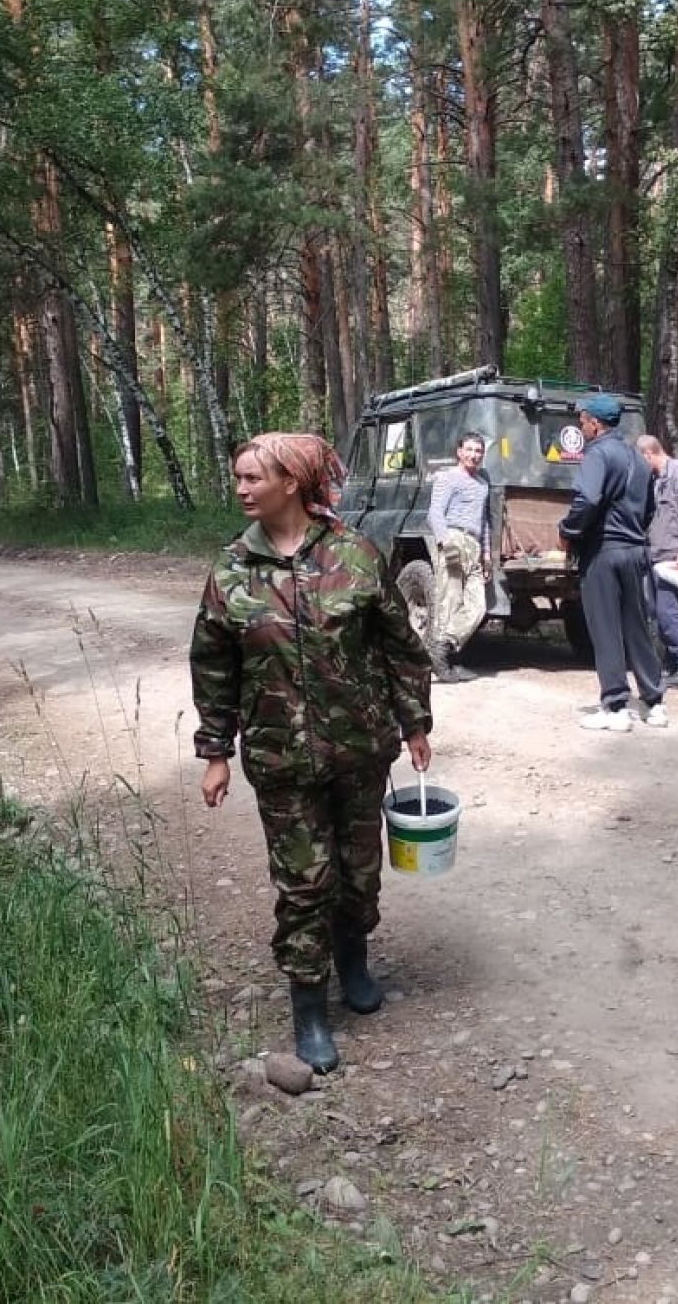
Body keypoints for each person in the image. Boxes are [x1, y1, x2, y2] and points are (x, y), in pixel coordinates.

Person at [191, 432, 434, 1073]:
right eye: (238, 479)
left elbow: (398, 647)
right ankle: (309, 1009)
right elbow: (213, 667)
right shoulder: (231, 570)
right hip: (280, 761)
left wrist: (415, 723)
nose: (241, 489)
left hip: (359, 751)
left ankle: (353, 961)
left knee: (358, 874)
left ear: (291, 483)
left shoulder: (356, 556)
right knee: (304, 884)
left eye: (252, 478)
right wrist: (215, 750)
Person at [557, 395, 666, 732]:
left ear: (596, 423)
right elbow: (649, 508)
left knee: (605, 629)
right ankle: (654, 703)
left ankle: (615, 706)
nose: (580, 425)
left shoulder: (598, 453)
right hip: (635, 551)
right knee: (636, 627)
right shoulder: (637, 455)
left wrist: (568, 530)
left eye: (583, 420)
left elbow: (587, 499)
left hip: (603, 552)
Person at [635, 434, 678, 689]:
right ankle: (672, 662)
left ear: (648, 454)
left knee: (667, 612)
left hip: (674, 555)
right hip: (655, 554)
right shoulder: (654, 479)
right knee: (655, 612)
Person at [425, 431, 492, 683]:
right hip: (453, 538)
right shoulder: (447, 478)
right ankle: (447, 664)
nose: (474, 455)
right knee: (449, 601)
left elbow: (485, 522)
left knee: (477, 606)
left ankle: (442, 649)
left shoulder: (483, 484)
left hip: (474, 544)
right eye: (470, 450)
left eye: (478, 451)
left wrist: (486, 553)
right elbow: (435, 513)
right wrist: (445, 542)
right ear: (459, 452)